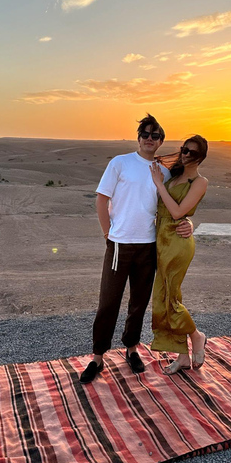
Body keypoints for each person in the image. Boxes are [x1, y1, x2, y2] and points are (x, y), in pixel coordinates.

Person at [80, 114, 193, 384]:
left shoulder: (163, 173)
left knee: (139, 303)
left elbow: (173, 207)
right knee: (108, 303)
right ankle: (97, 356)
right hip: (119, 245)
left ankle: (131, 349)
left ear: (161, 141)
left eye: (155, 136)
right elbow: (102, 198)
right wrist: (108, 233)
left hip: (148, 247)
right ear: (138, 136)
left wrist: (188, 222)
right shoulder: (120, 163)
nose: (149, 139)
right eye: (145, 134)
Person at [149, 135, 209, 374]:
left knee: (171, 300)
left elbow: (177, 213)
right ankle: (183, 356)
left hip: (178, 242)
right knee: (163, 298)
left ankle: (196, 336)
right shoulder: (175, 175)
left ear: (201, 157)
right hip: (161, 240)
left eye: (192, 153)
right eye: (184, 150)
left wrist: (159, 185)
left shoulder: (200, 181)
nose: (186, 155)